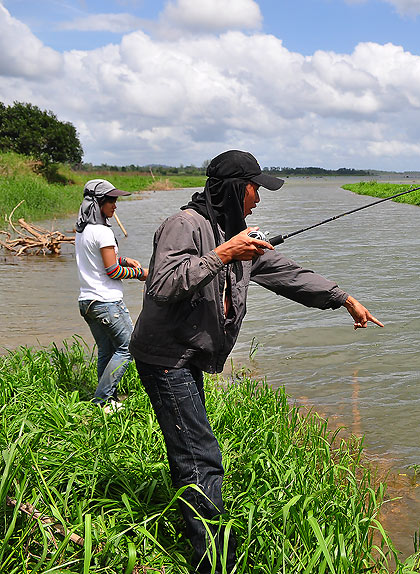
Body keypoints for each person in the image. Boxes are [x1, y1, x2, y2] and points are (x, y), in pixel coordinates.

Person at [129, 149, 382, 573]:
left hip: (187, 355)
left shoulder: (234, 232)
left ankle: (201, 535)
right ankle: (213, 562)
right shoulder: (184, 225)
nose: (258, 200)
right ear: (234, 189)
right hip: (165, 357)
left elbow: (288, 274)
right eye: (255, 189)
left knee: (193, 452)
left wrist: (344, 299)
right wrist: (224, 254)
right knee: (201, 457)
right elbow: (163, 285)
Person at [74, 179, 146, 411]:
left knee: (107, 350)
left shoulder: (83, 230)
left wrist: (125, 259)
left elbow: (97, 260)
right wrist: (139, 273)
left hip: (87, 301)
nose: (115, 205)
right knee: (128, 348)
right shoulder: (103, 231)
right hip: (106, 303)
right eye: (111, 200)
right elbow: (112, 271)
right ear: (98, 202)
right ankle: (102, 400)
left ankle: (108, 399)